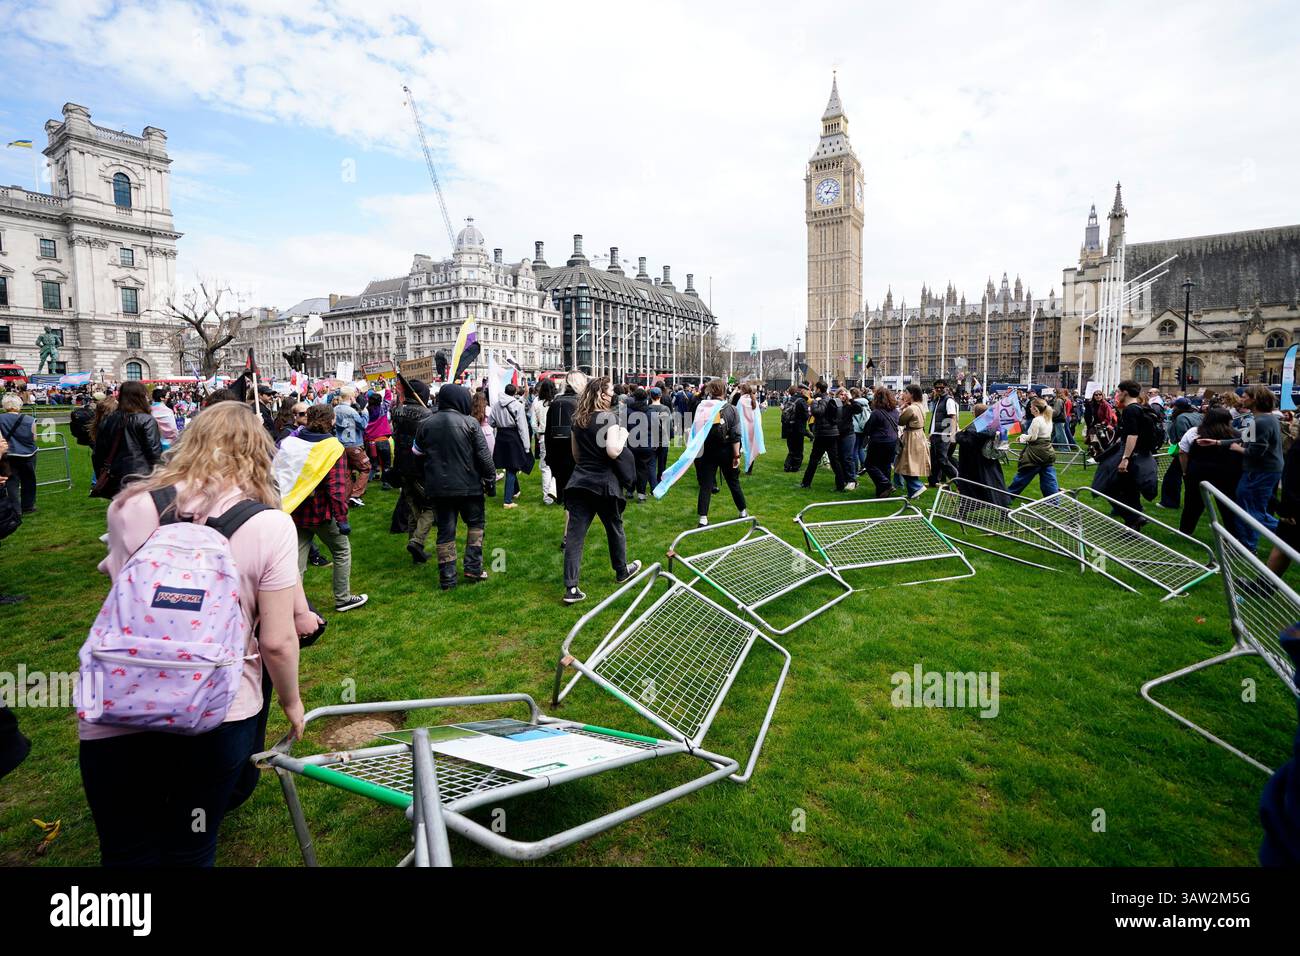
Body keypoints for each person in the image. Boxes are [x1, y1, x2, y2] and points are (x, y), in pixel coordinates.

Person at [80, 401, 313, 866]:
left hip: (122, 696)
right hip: (218, 704)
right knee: (191, 843)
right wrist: (291, 701)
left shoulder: (130, 505)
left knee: (125, 849)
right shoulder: (270, 523)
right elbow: (277, 638)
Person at [283, 403, 368, 612]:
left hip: (294, 509)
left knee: (296, 561)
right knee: (341, 551)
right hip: (320, 511)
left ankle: (290, 605)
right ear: (331, 421)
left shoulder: (292, 441)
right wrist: (342, 519)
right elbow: (336, 488)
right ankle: (343, 598)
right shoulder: (332, 447)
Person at [562, 377, 640, 604]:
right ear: (601, 395)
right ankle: (621, 570)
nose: (613, 394)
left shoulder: (579, 420)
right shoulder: (610, 418)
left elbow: (576, 455)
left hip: (580, 482)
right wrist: (624, 435)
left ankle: (571, 588)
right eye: (610, 391)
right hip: (604, 483)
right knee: (614, 527)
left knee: (575, 537)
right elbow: (614, 451)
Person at [414, 383, 496, 590]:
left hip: (439, 488)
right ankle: (473, 567)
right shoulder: (470, 423)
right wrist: (490, 479)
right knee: (476, 526)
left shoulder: (426, 423)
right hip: (469, 487)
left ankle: (447, 577)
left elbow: (416, 453)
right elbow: (484, 456)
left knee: (445, 531)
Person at [1206, 383, 1284, 553]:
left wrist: (1238, 449)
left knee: (1251, 511)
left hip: (1260, 472)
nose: (1242, 399)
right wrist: (1218, 442)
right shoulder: (1263, 418)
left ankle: (1281, 537)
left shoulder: (1261, 421)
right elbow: (1244, 438)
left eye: (1245, 396)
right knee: (1250, 509)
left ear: (1255, 399)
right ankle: (1248, 544)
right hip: (1262, 470)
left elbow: (1256, 451)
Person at [1092, 379, 1158, 529]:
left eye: (1118, 391)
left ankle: (1134, 517)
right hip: (1137, 454)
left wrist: (1125, 459)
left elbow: (1132, 436)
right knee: (1128, 488)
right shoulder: (1140, 408)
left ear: (1125, 392)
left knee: (1109, 486)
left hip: (1130, 454)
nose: (1117, 394)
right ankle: (1134, 521)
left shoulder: (1131, 409)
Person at [92, 381, 163, 499]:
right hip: (141, 477)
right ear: (140, 397)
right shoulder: (146, 420)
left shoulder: (109, 419)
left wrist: (102, 473)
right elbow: (155, 454)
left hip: (116, 478)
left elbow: (98, 453)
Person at [1177, 405, 1241, 535]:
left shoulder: (1195, 432)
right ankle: (1234, 535)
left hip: (1199, 472)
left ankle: (1185, 531)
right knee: (1228, 506)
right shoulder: (1237, 434)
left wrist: (1185, 471)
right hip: (1227, 474)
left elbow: (1182, 452)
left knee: (1192, 504)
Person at [693, 379, 748, 526]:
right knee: (733, 482)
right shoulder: (731, 409)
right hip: (726, 450)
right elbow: (736, 435)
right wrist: (736, 455)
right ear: (724, 391)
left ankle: (703, 518)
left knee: (706, 484)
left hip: (707, 450)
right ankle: (743, 511)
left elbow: (696, 430)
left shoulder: (702, 408)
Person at [392, 378, 435, 563]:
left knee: (412, 507)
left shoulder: (397, 411)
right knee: (432, 506)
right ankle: (417, 541)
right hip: (419, 467)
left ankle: (415, 550)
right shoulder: (426, 414)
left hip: (402, 465)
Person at [545, 371, 586, 548]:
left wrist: (549, 457)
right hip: (575, 456)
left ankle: (570, 534)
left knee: (570, 499)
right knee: (575, 500)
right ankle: (569, 536)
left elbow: (548, 433)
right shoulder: (580, 403)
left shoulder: (555, 403)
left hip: (558, 457)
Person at [801, 382, 853, 491]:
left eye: (815, 388)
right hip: (832, 433)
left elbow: (817, 412)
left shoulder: (822, 399)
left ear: (819, 389)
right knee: (834, 461)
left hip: (823, 433)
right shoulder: (831, 399)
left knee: (814, 460)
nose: (814, 390)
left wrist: (815, 402)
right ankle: (840, 485)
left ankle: (806, 483)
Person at [954, 403, 1010, 505]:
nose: (971, 412)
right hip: (988, 461)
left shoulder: (976, 426)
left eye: (973, 411)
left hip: (973, 463)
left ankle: (964, 510)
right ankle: (1003, 507)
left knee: (971, 487)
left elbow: (968, 442)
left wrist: (958, 435)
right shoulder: (991, 424)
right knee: (994, 485)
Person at [1006, 398, 1059, 497]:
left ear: (1035, 409)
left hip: (1035, 453)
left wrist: (1023, 437)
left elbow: (1033, 438)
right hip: (1048, 451)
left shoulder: (1037, 420)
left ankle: (1008, 496)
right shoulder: (1048, 418)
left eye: (1031, 407)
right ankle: (1053, 500)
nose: (1029, 408)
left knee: (1023, 476)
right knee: (1049, 477)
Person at [490, 383, 530, 509]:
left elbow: (491, 422)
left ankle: (515, 491)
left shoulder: (496, 405)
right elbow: (522, 426)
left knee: (510, 465)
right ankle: (507, 501)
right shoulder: (517, 405)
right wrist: (527, 446)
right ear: (514, 393)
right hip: (513, 436)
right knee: (512, 467)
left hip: (501, 435)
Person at [1160, 397, 1202, 509]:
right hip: (1199, 451)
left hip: (1186, 451)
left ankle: (1170, 502)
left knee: (1172, 477)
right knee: (1192, 479)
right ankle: (1196, 504)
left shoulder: (1181, 418)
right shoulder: (1198, 415)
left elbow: (1182, 438)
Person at [333, 385, 370, 508]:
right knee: (366, 468)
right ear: (350, 396)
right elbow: (363, 425)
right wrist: (364, 411)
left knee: (347, 471)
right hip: (353, 444)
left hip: (340, 444)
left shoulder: (335, 409)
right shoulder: (352, 411)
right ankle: (355, 495)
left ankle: (347, 497)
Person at [0, 393, 37, 514]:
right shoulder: (30, 420)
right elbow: (34, 438)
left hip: (9, 454)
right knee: (29, 481)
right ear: (19, 405)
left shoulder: (0, 419)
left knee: (11, 482)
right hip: (28, 454)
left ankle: (16, 509)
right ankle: (28, 506)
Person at [862, 386, 900, 497]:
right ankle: (882, 491)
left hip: (879, 441)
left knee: (870, 465)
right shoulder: (895, 412)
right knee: (885, 465)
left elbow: (868, 428)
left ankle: (886, 485)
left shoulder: (876, 412)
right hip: (892, 441)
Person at [894, 384, 929, 499]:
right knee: (911, 465)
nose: (904, 394)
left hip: (911, 437)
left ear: (912, 394)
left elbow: (900, 421)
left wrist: (902, 407)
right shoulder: (920, 406)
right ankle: (913, 493)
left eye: (906, 393)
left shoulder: (911, 408)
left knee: (905, 464)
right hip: (919, 435)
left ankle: (917, 486)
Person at [927, 379, 959, 486]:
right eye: (937, 387)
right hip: (936, 434)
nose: (939, 389)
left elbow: (953, 417)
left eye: (941, 387)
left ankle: (959, 481)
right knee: (934, 459)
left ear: (946, 388)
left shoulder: (948, 400)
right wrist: (931, 433)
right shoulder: (938, 400)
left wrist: (952, 434)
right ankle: (933, 481)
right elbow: (935, 418)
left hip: (944, 434)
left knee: (942, 460)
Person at [530, 378, 557, 504]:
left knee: (545, 467)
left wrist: (538, 432)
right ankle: (555, 492)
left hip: (544, 436)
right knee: (557, 465)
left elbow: (533, 422)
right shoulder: (557, 401)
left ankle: (548, 496)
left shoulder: (536, 401)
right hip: (557, 435)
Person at [364, 391, 395, 491]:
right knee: (386, 463)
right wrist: (386, 384)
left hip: (370, 441)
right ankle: (385, 483)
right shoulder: (383, 409)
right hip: (382, 440)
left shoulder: (365, 411)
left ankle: (367, 479)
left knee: (373, 463)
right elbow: (388, 397)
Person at [782, 385, 810, 472]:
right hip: (799, 428)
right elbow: (806, 416)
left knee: (791, 449)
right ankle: (795, 467)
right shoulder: (802, 401)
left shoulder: (791, 398)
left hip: (789, 427)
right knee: (798, 449)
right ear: (803, 391)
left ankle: (787, 465)